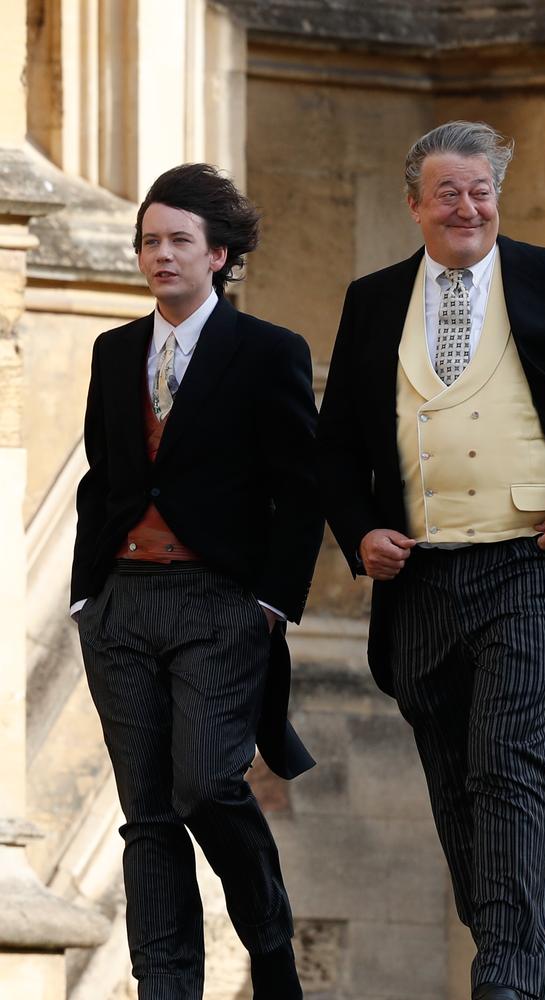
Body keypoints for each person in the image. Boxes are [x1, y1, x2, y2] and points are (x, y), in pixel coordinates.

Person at [317, 121, 545, 1000]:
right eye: (450, 192)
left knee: (507, 751)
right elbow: (337, 448)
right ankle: (513, 956)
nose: (469, 207)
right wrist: (359, 534)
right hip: (421, 574)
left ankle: (502, 975)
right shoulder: (371, 298)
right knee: (455, 769)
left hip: (535, 560)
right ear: (415, 203)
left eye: (482, 190)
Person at [71, 163, 323, 1000]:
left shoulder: (269, 352)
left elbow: (302, 488)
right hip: (120, 606)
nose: (161, 255)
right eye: (150, 241)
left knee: (207, 783)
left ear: (219, 254)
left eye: (180, 240)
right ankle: (165, 988)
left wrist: (271, 604)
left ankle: (271, 945)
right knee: (146, 819)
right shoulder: (113, 353)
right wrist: (84, 595)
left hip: (219, 604)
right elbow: (101, 478)